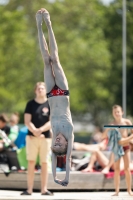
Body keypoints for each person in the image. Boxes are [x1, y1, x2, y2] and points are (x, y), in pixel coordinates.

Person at [36, 8, 74, 187]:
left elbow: (53, 156)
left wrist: (53, 178)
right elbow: (67, 158)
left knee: (46, 59)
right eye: (60, 144)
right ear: (65, 143)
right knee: (55, 59)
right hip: (63, 92)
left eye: (55, 144)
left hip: (51, 93)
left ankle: (38, 26)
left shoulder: (54, 132)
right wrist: (64, 177)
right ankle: (49, 24)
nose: (57, 141)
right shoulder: (69, 133)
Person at [21, 82, 52, 196]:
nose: (40, 90)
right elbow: (27, 121)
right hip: (31, 138)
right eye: (38, 88)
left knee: (44, 163)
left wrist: (41, 130)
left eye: (42, 88)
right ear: (35, 90)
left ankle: (44, 189)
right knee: (31, 162)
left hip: (46, 138)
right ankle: (29, 189)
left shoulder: (49, 104)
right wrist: (35, 131)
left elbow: (51, 121)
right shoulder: (30, 104)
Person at [102, 105, 133, 196]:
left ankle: (129, 190)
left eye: (118, 112)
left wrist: (126, 140)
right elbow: (103, 136)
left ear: (122, 112)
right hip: (117, 148)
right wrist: (108, 129)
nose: (117, 113)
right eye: (115, 112)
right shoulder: (112, 123)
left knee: (127, 169)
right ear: (113, 114)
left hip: (126, 147)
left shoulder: (127, 122)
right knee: (117, 169)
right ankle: (117, 191)